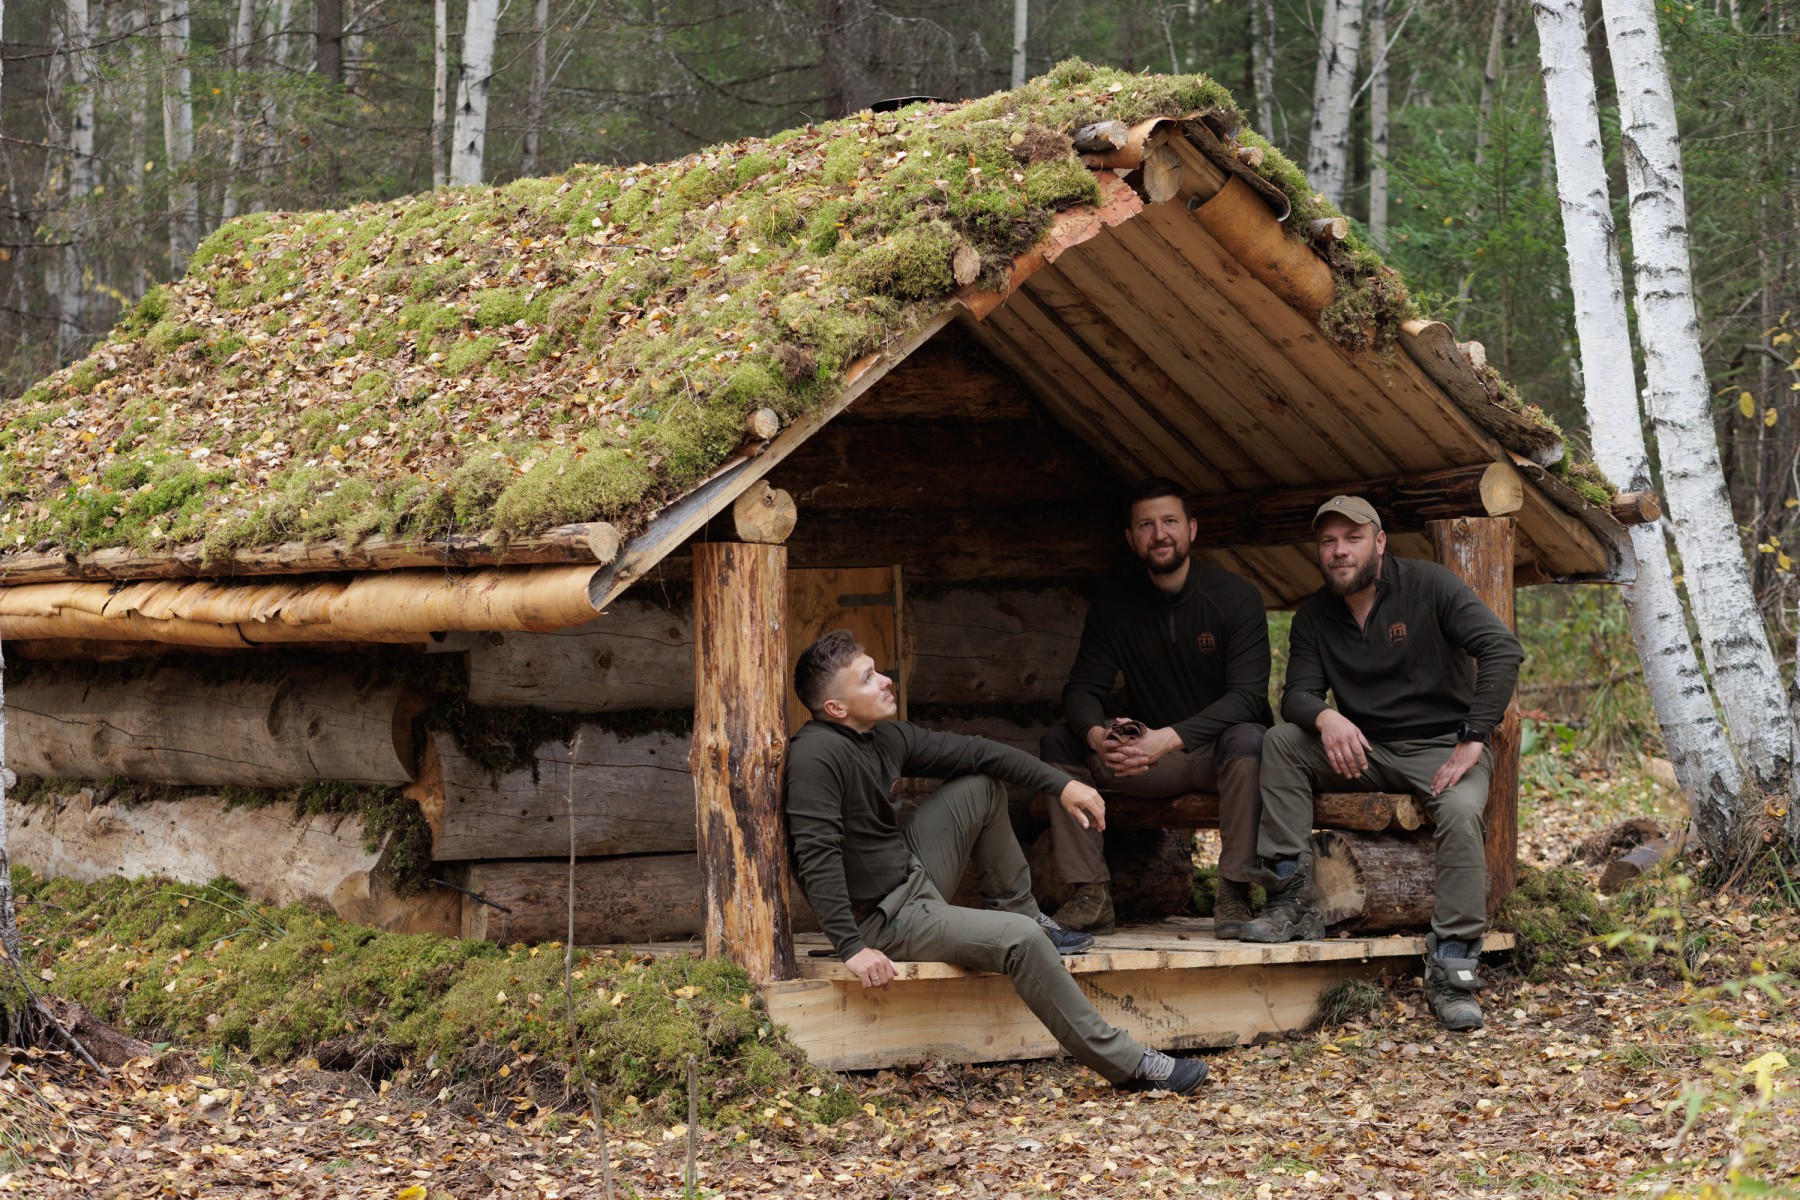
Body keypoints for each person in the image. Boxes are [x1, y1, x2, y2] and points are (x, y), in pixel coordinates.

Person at [785, 628, 1208, 1092]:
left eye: (877, 670)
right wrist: (852, 947)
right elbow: (815, 854)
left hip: (912, 874)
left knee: (981, 787)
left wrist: (1061, 785)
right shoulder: (817, 756)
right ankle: (1129, 1064)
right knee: (1021, 941)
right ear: (836, 708)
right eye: (868, 678)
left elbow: (978, 751)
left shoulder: (882, 737)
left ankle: (1025, 911)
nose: (885, 680)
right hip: (886, 920)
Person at [1242, 495, 1523, 1032]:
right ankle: (1291, 900)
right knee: (1281, 741)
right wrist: (1327, 719)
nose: (1339, 551)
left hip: (1441, 747)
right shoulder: (1314, 615)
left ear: (1379, 542)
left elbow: (1501, 649)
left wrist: (1472, 735)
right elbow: (1296, 695)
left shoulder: (1429, 586)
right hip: (1365, 749)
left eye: (1352, 538)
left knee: (1462, 813)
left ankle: (1454, 963)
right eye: (1328, 542)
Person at [1040, 478, 1273, 938]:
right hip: (1143, 762)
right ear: (1131, 538)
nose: (1159, 534)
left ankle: (1234, 889)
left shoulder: (1235, 597)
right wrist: (1098, 738)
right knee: (1058, 741)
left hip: (1220, 759)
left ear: (1191, 529)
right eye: (1146, 525)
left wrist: (1167, 738)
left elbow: (1248, 696)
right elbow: (1082, 689)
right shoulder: (1115, 604)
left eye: (1169, 522)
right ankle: (1090, 895)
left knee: (1253, 736)